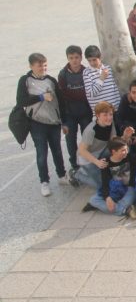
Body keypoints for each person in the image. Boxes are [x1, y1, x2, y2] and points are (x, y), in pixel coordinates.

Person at [17, 52, 72, 196]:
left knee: (57, 150)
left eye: (45, 65)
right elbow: (21, 101)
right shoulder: (25, 80)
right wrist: (41, 97)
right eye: (40, 66)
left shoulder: (51, 80)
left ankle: (62, 175)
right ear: (31, 66)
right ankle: (44, 181)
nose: (43, 68)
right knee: (42, 153)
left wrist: (64, 122)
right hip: (36, 123)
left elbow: (61, 102)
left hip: (54, 122)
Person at [58, 45, 93, 172]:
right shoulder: (63, 74)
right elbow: (62, 95)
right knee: (70, 140)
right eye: (71, 58)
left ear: (81, 57)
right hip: (69, 114)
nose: (74, 60)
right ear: (67, 58)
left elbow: (89, 93)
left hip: (85, 112)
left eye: (76, 57)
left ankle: (88, 162)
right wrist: (62, 120)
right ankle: (75, 164)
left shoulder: (87, 72)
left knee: (87, 139)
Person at [85, 137, 136, 219]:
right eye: (123, 150)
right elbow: (105, 182)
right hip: (114, 190)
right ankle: (124, 209)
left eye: (127, 149)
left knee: (131, 195)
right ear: (113, 151)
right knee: (93, 200)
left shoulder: (130, 157)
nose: (126, 152)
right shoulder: (106, 163)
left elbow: (134, 179)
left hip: (129, 188)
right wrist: (107, 198)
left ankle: (119, 208)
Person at [83, 45, 121, 111]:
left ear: (100, 57)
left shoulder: (108, 68)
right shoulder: (86, 73)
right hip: (100, 112)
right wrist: (101, 79)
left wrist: (119, 106)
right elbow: (91, 93)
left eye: (94, 60)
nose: (92, 63)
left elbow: (114, 89)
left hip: (115, 109)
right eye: (89, 61)